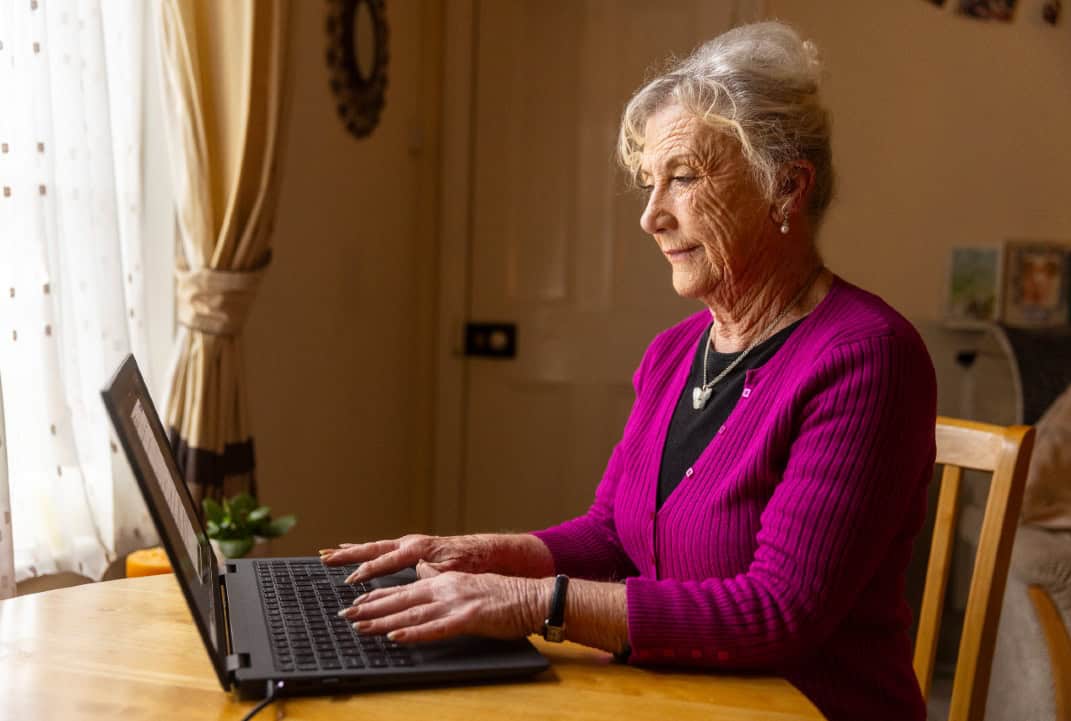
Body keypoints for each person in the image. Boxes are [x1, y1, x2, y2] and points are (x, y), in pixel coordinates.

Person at [322, 21, 935, 721]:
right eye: (649, 182)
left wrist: (532, 600)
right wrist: (475, 556)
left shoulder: (868, 356)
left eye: (682, 178)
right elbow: (613, 535)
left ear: (786, 187)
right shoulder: (674, 353)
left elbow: (777, 611)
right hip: (665, 698)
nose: (651, 216)